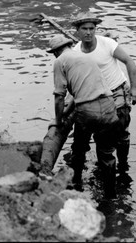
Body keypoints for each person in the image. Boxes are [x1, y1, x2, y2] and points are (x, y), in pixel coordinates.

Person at [47, 34, 121, 198]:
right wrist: (66, 113)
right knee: (106, 154)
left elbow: (60, 95)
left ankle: (76, 188)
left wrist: (59, 121)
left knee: (79, 150)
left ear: (55, 52)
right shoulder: (85, 57)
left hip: (88, 110)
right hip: (109, 105)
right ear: (68, 45)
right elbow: (79, 91)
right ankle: (110, 196)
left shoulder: (60, 61)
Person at [71, 12, 136, 178]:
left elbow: (129, 61)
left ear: (96, 29)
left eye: (91, 28)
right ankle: (100, 167)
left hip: (116, 90)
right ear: (77, 31)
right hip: (95, 97)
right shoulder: (75, 52)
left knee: (121, 129)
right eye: (84, 29)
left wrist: (134, 88)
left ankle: (123, 166)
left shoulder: (107, 43)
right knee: (96, 133)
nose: (88, 32)